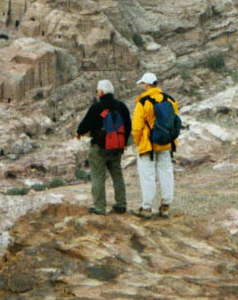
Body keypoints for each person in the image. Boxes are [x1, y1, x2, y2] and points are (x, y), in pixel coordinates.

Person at [75, 79, 131, 215]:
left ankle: (100, 207)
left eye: (97, 91)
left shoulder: (96, 108)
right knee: (117, 175)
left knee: (98, 176)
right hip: (116, 147)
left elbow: (84, 126)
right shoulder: (122, 106)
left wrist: (79, 132)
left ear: (101, 92)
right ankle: (121, 204)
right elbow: (128, 126)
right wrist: (122, 144)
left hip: (99, 147)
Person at [131, 72, 177, 218]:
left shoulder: (143, 102)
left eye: (143, 84)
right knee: (166, 173)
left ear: (146, 84)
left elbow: (137, 127)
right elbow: (174, 121)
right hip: (166, 143)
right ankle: (165, 206)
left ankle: (146, 208)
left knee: (148, 176)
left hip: (149, 144)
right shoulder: (170, 100)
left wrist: (139, 142)